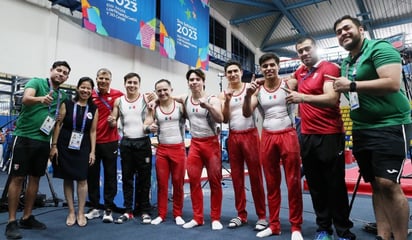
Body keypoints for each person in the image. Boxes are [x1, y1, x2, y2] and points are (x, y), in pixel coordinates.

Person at [331, 15, 411, 240]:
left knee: (388, 183)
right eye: (338, 32)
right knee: (375, 183)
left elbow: (393, 83)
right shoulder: (346, 62)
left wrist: (352, 85)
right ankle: (384, 235)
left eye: (347, 28)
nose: (343, 33)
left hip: (391, 123)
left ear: (360, 29)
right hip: (362, 127)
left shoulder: (379, 48)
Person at [284, 36, 356, 240]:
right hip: (307, 136)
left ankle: (343, 231)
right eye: (300, 51)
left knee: (335, 185)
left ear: (316, 48)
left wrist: (303, 97)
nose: (304, 54)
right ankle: (323, 229)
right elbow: (291, 82)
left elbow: (332, 98)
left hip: (330, 134)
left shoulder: (329, 68)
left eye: (307, 49)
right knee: (315, 185)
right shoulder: (301, 71)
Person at [4, 61, 71, 239]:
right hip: (24, 138)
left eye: (65, 73)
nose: (61, 74)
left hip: (43, 142)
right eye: (58, 70)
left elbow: (59, 122)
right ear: (51, 71)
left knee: (35, 179)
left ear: (67, 77)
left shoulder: (62, 96)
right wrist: (40, 99)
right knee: (17, 178)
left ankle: (27, 217)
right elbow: (26, 99)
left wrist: (54, 145)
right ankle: (11, 221)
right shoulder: (36, 83)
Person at [242, 53, 303, 239]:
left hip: (288, 135)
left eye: (271, 65)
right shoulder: (257, 92)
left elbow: (303, 75)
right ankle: (274, 224)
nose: (268, 68)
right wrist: (247, 95)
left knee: (293, 182)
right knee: (271, 183)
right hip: (267, 136)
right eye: (265, 66)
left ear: (278, 66)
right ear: (261, 69)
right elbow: (246, 113)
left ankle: (295, 227)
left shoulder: (289, 84)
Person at [219, 60, 268, 231]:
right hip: (233, 137)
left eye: (235, 71)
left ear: (240, 72)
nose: (232, 74)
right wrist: (226, 101)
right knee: (237, 178)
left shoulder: (251, 87)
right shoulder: (223, 93)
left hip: (250, 135)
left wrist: (250, 93)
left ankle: (262, 216)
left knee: (256, 177)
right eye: (229, 72)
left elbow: (249, 111)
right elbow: (225, 119)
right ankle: (241, 214)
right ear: (226, 75)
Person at [50, 77, 98, 228]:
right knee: (68, 178)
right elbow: (58, 125)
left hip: (83, 145)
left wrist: (92, 152)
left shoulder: (93, 109)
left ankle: (81, 212)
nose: (85, 90)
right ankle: (71, 211)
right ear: (78, 88)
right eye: (83, 87)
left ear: (92, 91)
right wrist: (54, 145)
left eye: (88, 88)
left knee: (83, 179)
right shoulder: (68, 104)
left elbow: (93, 131)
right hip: (65, 144)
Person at [179, 69, 224, 230]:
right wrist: (154, 98)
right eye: (191, 80)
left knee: (215, 182)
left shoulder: (213, 99)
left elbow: (220, 118)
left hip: (211, 144)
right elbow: (168, 97)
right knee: (193, 181)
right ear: (188, 83)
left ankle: (215, 218)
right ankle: (198, 217)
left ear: (203, 81)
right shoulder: (185, 99)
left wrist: (209, 107)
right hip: (195, 144)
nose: (194, 82)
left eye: (197, 79)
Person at [110, 72, 153, 224]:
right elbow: (113, 120)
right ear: (125, 83)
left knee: (144, 179)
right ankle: (128, 210)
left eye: (135, 83)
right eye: (129, 82)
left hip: (143, 143)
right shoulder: (118, 101)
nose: (132, 85)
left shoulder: (146, 98)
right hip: (127, 143)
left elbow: (151, 115)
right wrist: (111, 121)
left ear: (139, 85)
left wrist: (150, 124)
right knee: (127, 179)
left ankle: (145, 210)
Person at [144, 79, 186, 226]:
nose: (162, 93)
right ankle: (161, 214)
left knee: (178, 183)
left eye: (165, 90)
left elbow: (190, 102)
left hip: (178, 149)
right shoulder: (154, 108)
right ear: (156, 92)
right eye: (159, 91)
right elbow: (146, 125)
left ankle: (178, 213)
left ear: (171, 90)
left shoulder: (180, 106)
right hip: (162, 150)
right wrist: (150, 127)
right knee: (162, 184)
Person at [85, 68, 123, 223]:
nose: (103, 81)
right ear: (96, 78)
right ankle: (94, 207)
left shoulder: (118, 95)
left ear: (110, 81)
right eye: (100, 78)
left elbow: (119, 112)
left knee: (110, 175)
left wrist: (114, 120)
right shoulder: (90, 95)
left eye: (106, 79)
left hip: (110, 142)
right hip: (92, 143)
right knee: (92, 176)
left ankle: (108, 208)